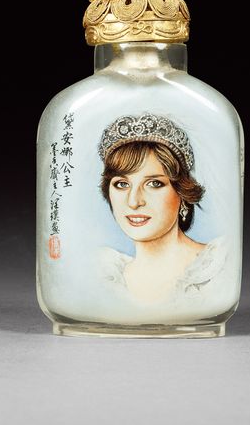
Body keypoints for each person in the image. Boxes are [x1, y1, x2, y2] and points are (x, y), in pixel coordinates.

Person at [96, 114, 226, 304]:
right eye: (122, 184)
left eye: (154, 184)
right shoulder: (105, 273)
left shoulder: (217, 266)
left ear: (182, 193)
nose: (133, 201)